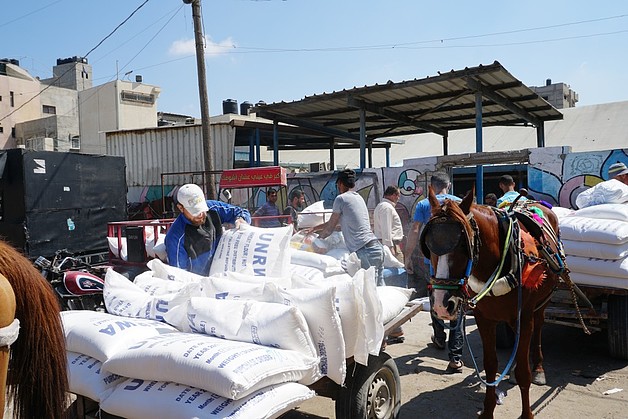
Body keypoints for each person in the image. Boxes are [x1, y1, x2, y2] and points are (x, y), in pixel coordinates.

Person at [403, 172, 464, 373]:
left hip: (435, 266)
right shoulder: (460, 203)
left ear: (432, 186)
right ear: (449, 185)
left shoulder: (423, 205)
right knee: (457, 307)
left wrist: (407, 256)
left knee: (436, 299)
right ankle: (455, 357)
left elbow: (414, 231)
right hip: (457, 268)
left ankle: (439, 339)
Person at [310, 169, 385, 285]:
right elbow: (336, 223)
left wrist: (316, 240)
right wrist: (314, 228)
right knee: (380, 290)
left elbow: (330, 228)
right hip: (377, 248)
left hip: (365, 251)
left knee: (369, 292)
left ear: (340, 183)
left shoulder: (341, 199)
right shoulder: (358, 198)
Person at [165, 183, 251, 276]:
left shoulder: (213, 208)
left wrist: (241, 219)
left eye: (202, 209)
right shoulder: (175, 238)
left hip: (225, 272)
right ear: (181, 208)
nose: (200, 215)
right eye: (195, 212)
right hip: (200, 282)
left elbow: (240, 211)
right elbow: (180, 275)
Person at [374, 185, 404, 263]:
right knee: (399, 270)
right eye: (398, 196)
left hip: (389, 244)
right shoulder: (386, 207)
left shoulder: (382, 206)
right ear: (394, 195)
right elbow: (386, 229)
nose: (398, 199)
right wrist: (390, 249)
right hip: (392, 245)